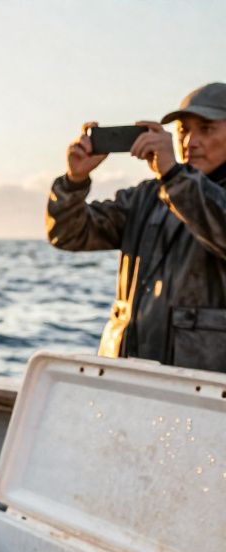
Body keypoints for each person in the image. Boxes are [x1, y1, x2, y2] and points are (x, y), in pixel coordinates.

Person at [47, 82, 226, 370]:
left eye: (205, 129)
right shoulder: (146, 197)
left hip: (201, 393)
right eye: (183, 131)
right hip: (126, 382)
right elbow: (68, 235)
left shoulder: (176, 184)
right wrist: (74, 182)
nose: (190, 141)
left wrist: (174, 176)